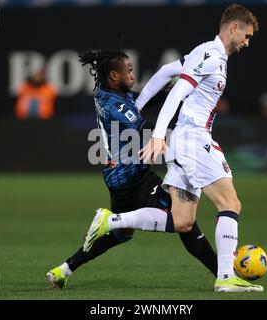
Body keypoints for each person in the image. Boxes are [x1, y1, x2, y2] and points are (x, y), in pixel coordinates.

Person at [83, 4, 263, 292]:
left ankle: (112, 219)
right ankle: (226, 277)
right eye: (247, 35)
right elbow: (178, 89)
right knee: (230, 203)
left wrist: (138, 106)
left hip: (184, 142)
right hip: (194, 139)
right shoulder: (211, 56)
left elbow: (167, 71)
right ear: (233, 28)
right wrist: (157, 134)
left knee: (182, 220)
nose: (247, 42)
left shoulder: (202, 53)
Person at [46, 49, 218, 289]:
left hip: (120, 176)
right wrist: (184, 124)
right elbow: (145, 126)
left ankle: (64, 270)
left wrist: (170, 90)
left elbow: (141, 98)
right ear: (114, 76)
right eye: (128, 71)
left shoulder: (111, 91)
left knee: (120, 234)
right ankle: (223, 273)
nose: (133, 75)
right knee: (183, 219)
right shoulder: (113, 105)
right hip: (130, 176)